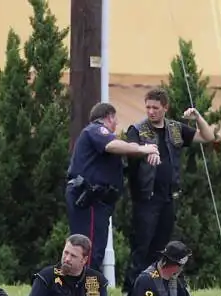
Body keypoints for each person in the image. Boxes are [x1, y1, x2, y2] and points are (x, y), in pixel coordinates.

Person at [122, 88, 217, 296]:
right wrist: (146, 150)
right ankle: (133, 290)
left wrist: (198, 118)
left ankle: (156, 287)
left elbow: (208, 137)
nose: (151, 111)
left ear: (165, 108)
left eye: (155, 107)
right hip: (146, 197)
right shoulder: (137, 129)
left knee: (161, 246)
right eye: (148, 107)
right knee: (141, 245)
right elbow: (131, 149)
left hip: (168, 196)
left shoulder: (175, 128)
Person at [66, 102, 161, 272]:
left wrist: (142, 153)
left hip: (96, 201)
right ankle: (83, 291)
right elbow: (112, 145)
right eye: (115, 119)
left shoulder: (95, 137)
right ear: (109, 116)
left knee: (91, 249)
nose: (117, 123)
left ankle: (84, 290)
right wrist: (143, 148)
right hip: (90, 199)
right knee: (88, 248)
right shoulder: (96, 130)